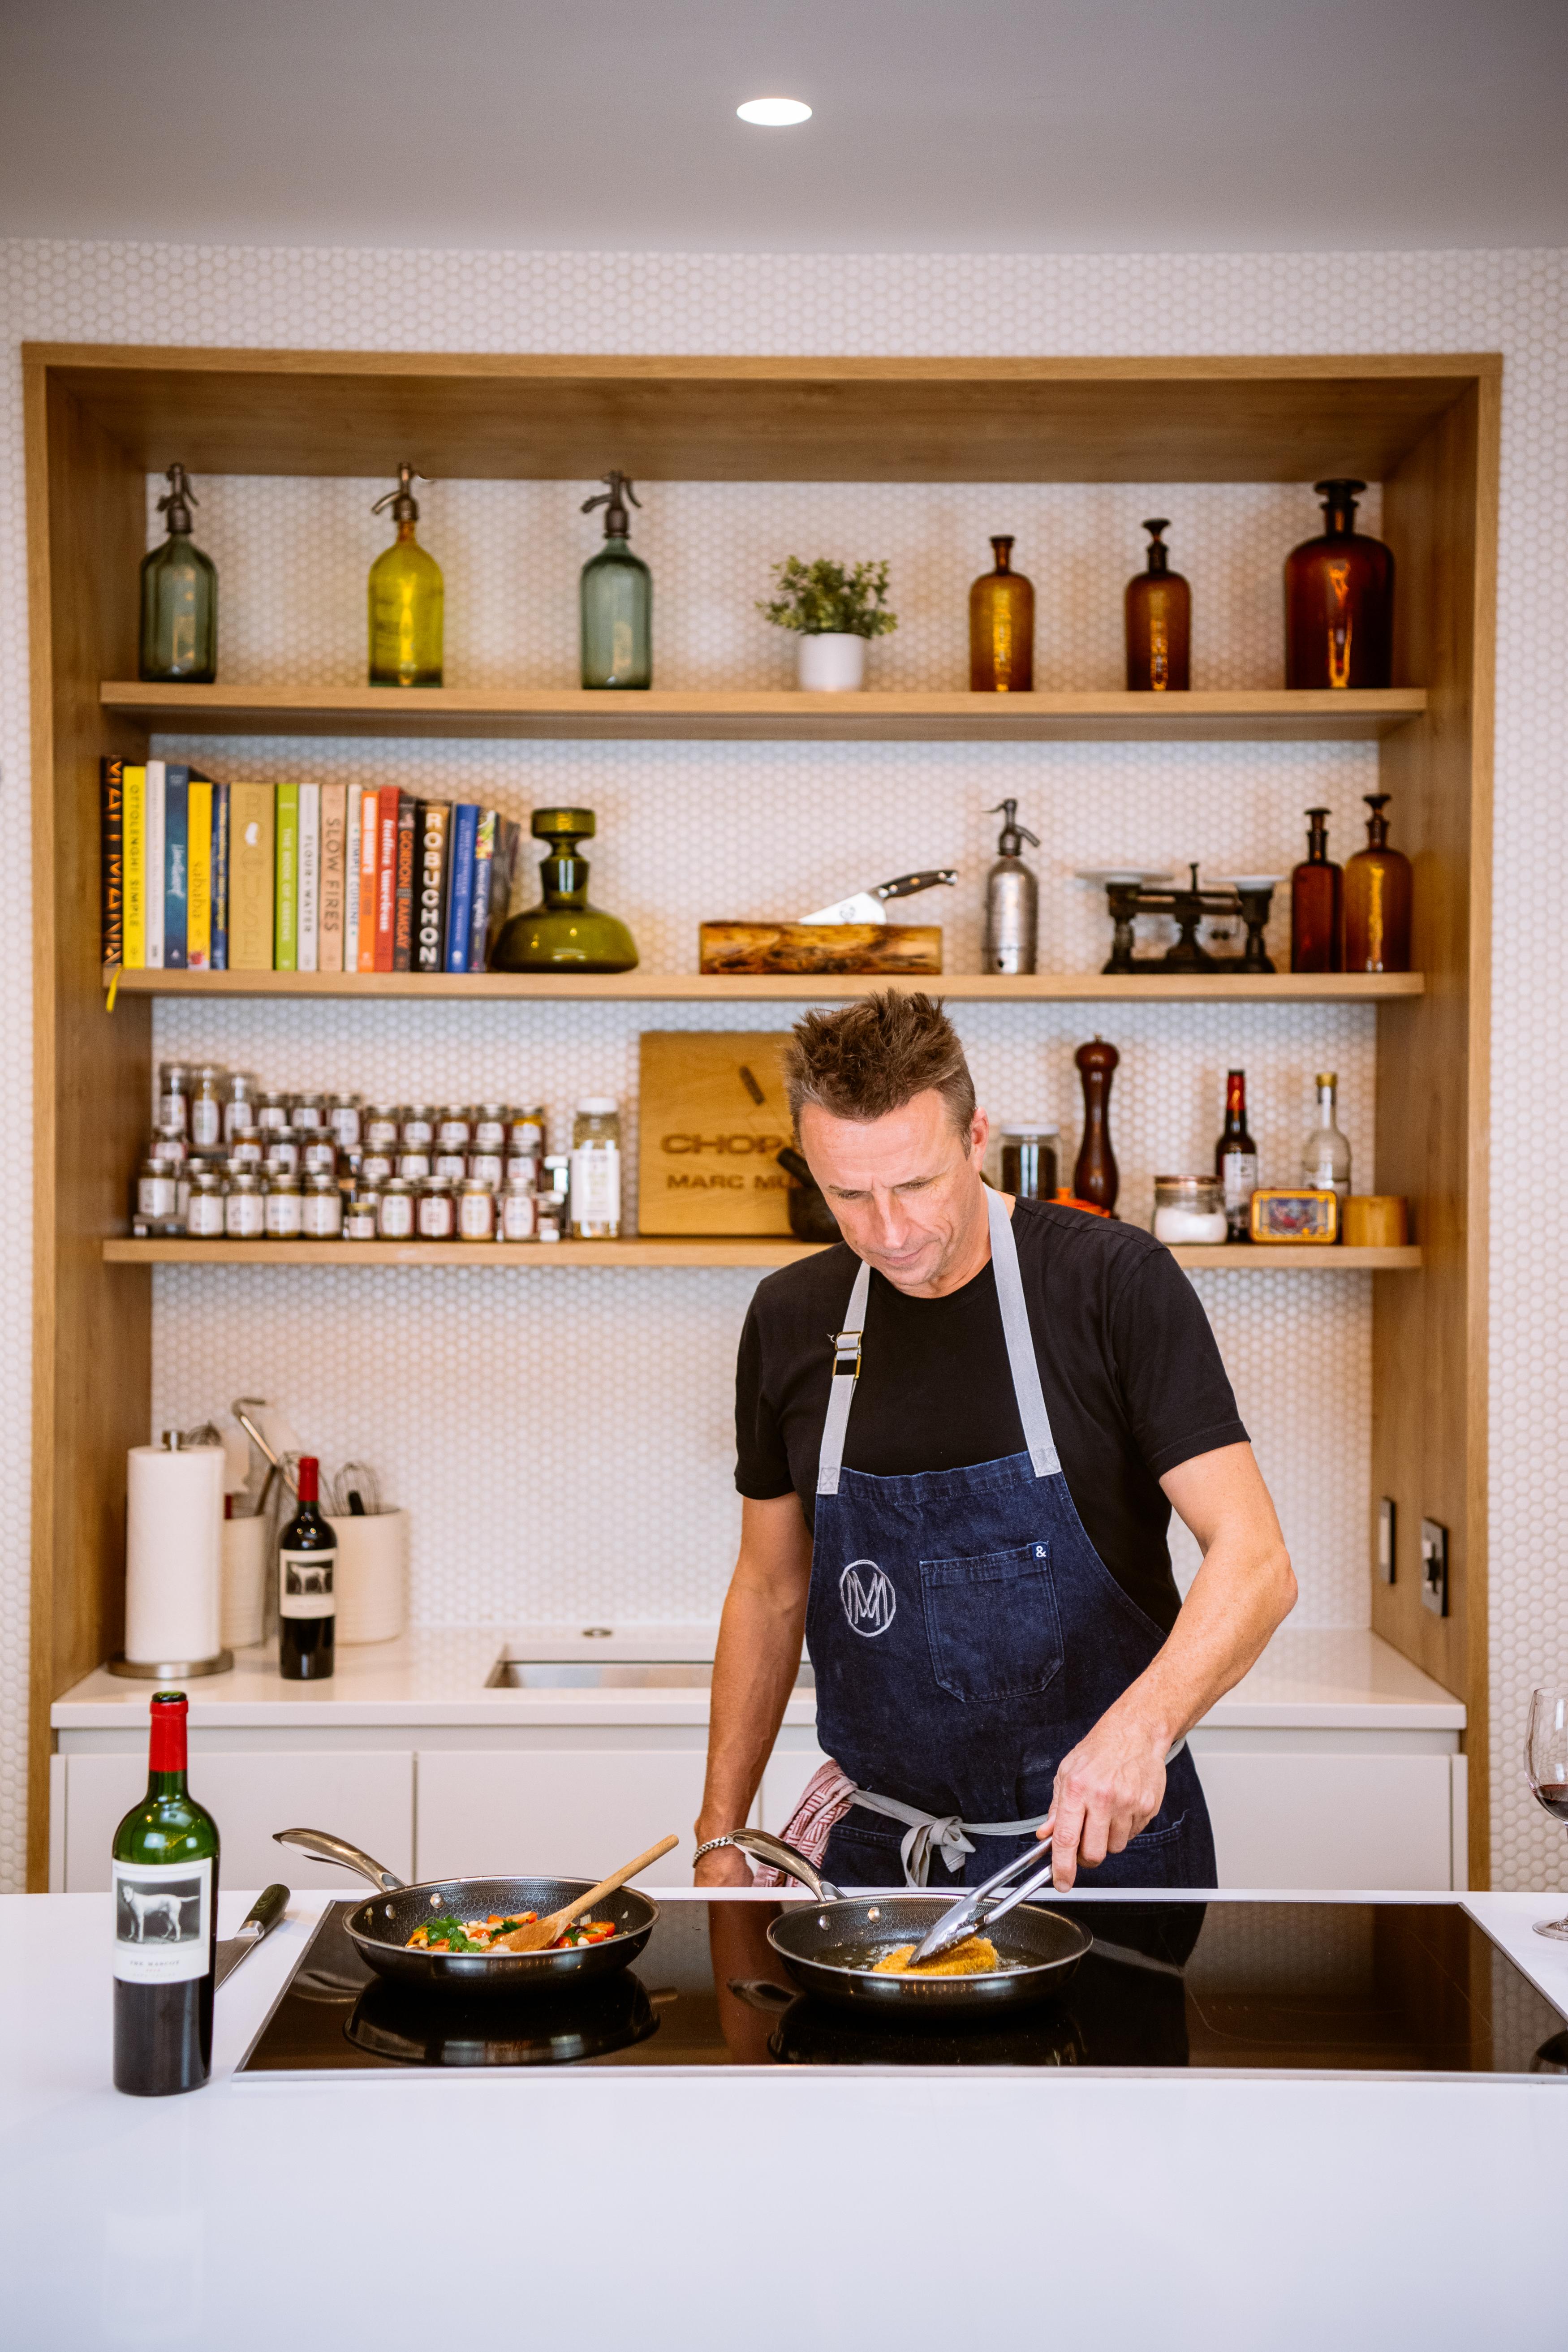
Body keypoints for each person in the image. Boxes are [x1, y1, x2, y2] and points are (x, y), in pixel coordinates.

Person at [692, 991, 1296, 1895]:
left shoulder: (1111, 1284)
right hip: (874, 1862)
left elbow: (1255, 1562)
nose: (887, 1233)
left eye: (917, 1185)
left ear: (977, 1136)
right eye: (847, 1195)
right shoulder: (791, 1317)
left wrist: (1138, 1735)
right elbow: (770, 1589)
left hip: (1096, 1848)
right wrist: (722, 1829)